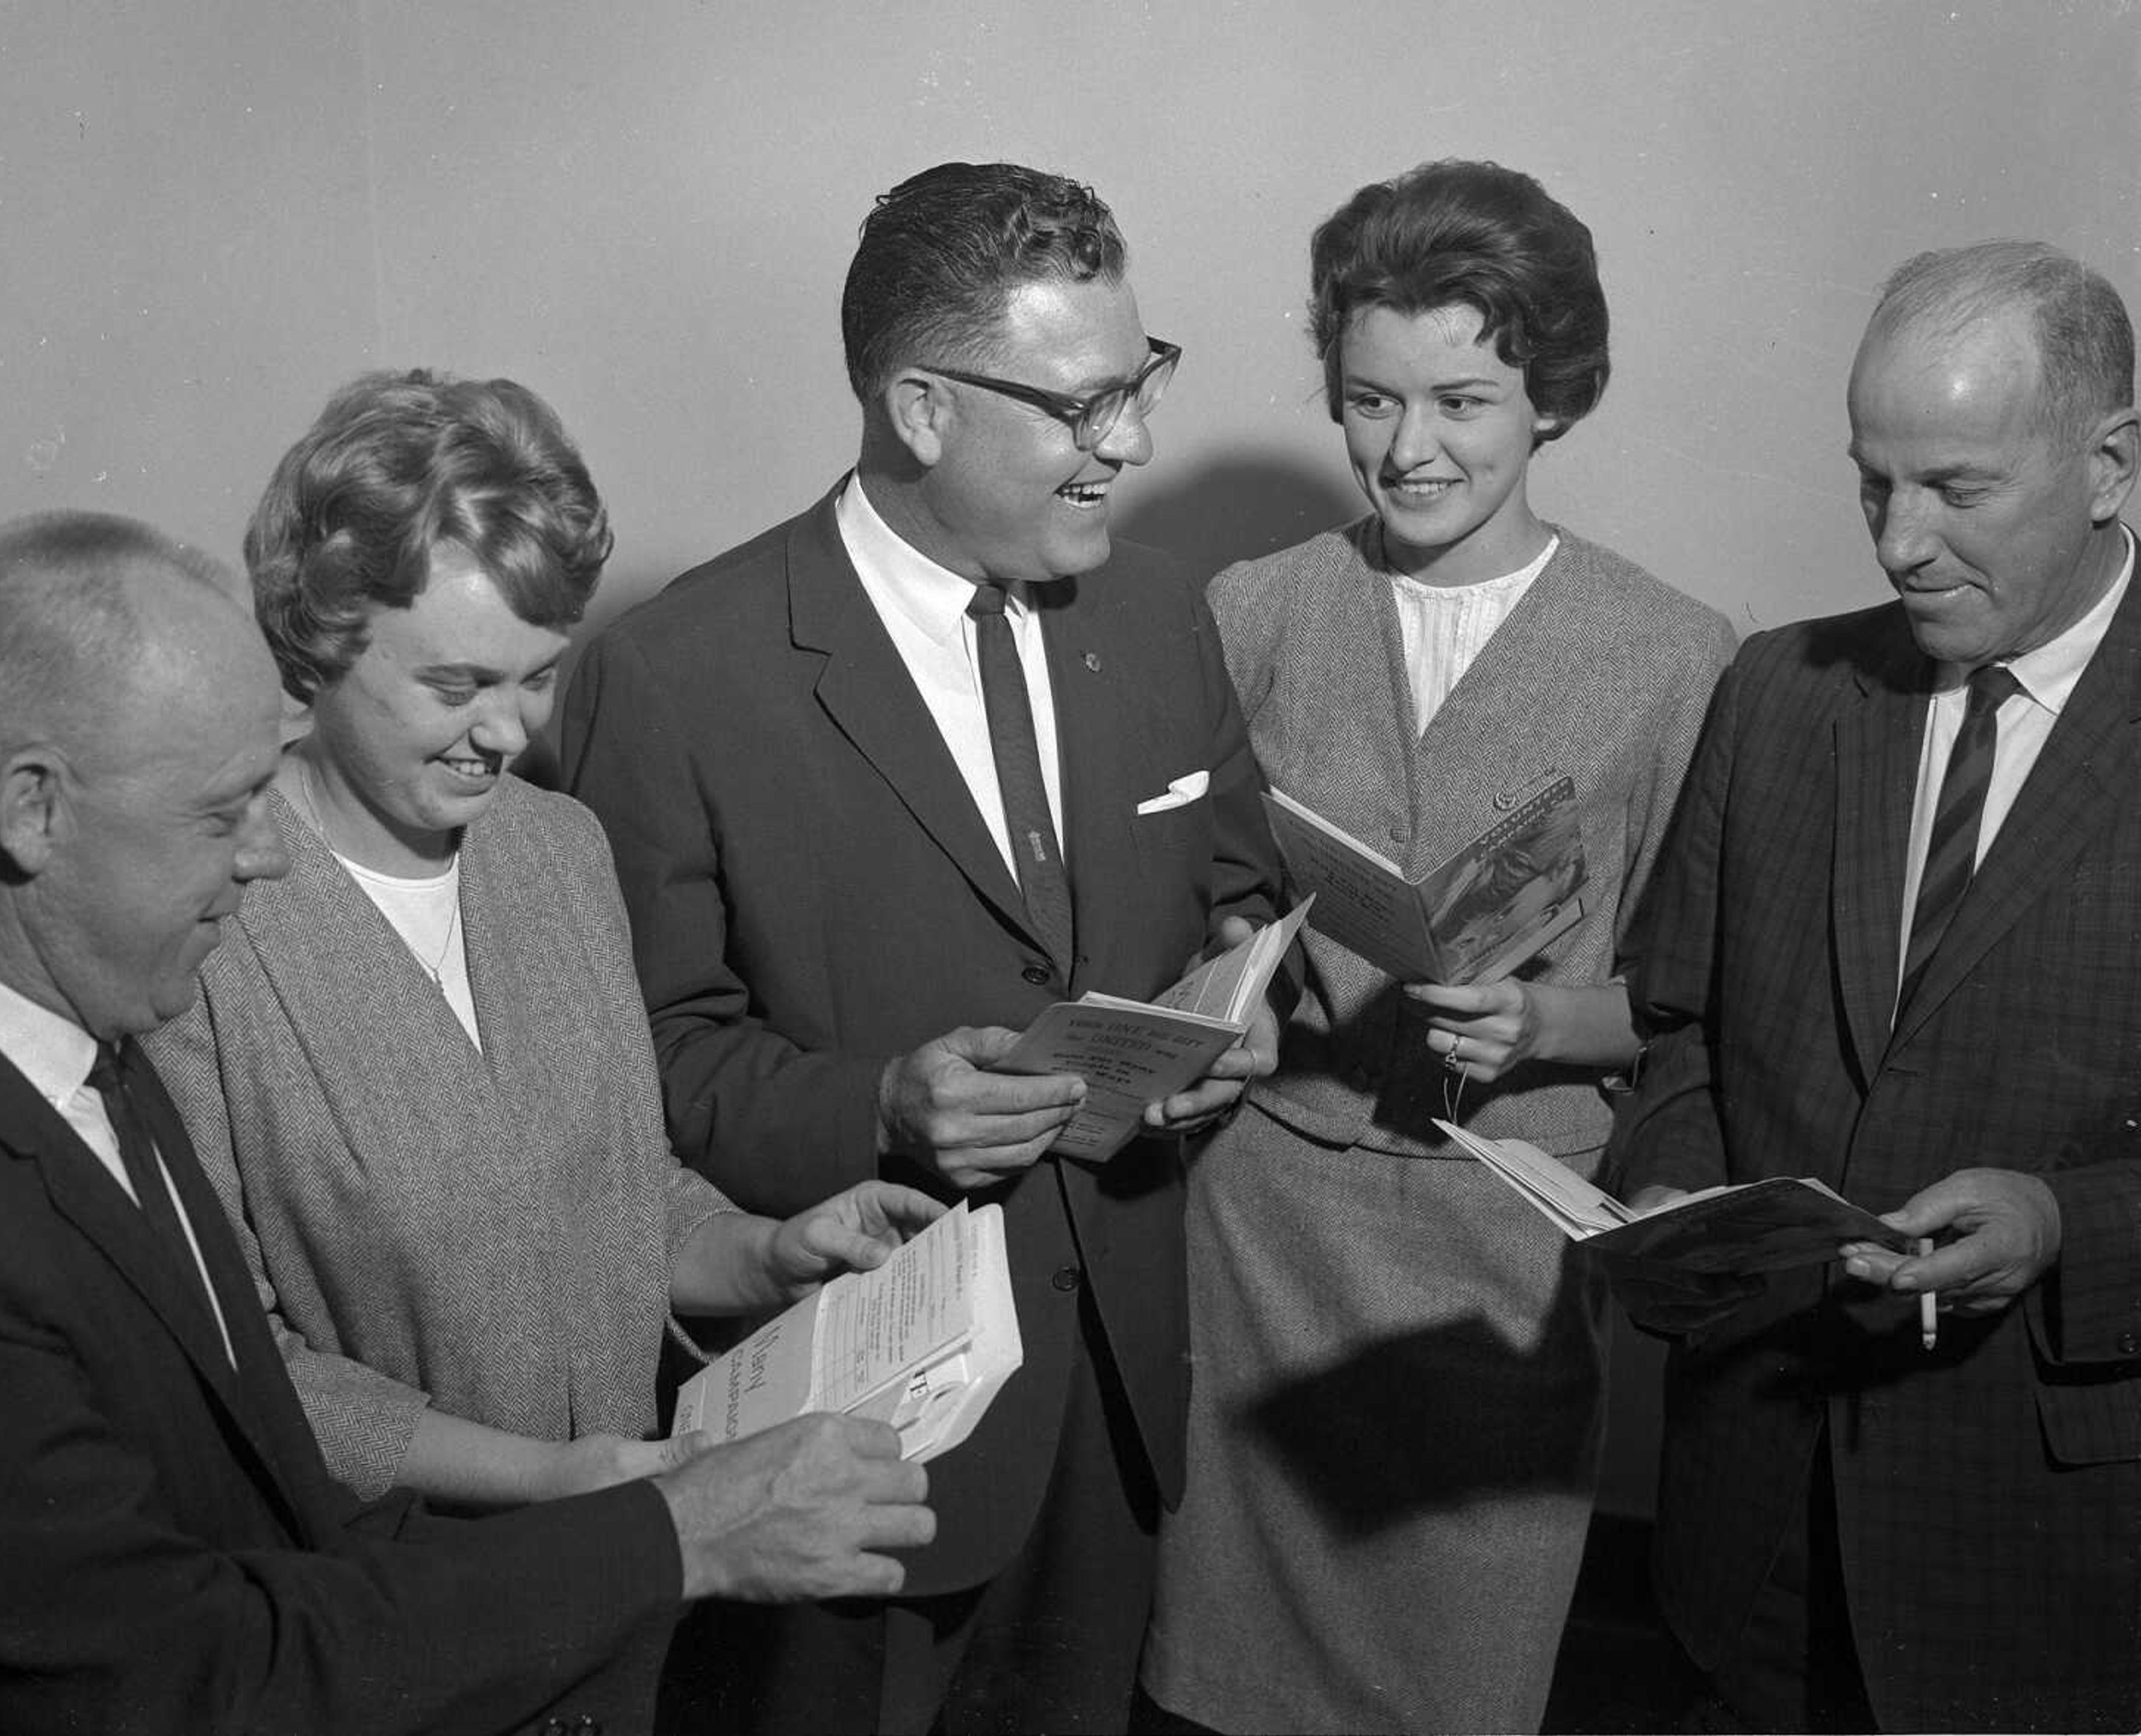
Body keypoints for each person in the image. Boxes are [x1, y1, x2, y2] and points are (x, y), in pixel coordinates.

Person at [0, 510, 935, 1735]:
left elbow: (258, 1479)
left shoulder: (81, 1031)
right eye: (225, 811)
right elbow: (180, 1680)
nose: (272, 853)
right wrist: (674, 1533)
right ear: (33, 812)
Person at [558, 161, 1286, 1735]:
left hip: (1120, 1400)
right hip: (858, 1439)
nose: (1137, 445)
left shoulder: (1159, 615)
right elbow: (637, 1076)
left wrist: (1245, 1000)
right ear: (922, 410)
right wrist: (881, 1106)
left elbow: (1237, 886)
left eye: (1142, 384)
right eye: (1086, 408)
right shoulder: (676, 678)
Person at [1140, 160, 1735, 1735]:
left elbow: (1689, 1001)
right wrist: (1236, 980)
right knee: (1219, 1683)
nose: (1411, 450)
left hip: (1501, 1244)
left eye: (1463, 400)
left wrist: (1544, 1025)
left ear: (1553, 397)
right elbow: (1207, 904)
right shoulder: (1253, 607)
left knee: (1456, 1688)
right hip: (1263, 1226)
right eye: (1370, 401)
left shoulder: (1679, 655)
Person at [146, 368, 940, 1514]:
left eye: (540, 677)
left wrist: (765, 1252)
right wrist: (552, 1481)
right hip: (396, 1590)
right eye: (458, 684)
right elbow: (233, 1359)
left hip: (624, 1557)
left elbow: (618, 1195)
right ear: (313, 645)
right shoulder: (209, 921)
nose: (511, 732)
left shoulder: (557, 850)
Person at [1609, 241, 2141, 1732]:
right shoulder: (1779, 693)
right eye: (1871, 483)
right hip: (1753, 1528)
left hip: (2054, 1561)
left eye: (1956, 490)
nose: (1898, 543)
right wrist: (1672, 1196)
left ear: (2109, 466)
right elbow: (1688, 1033)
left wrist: (2055, 1222)